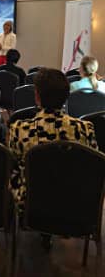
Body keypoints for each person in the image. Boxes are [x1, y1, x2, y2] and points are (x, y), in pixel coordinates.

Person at [9, 68, 97, 213]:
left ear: (37, 96)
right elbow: (92, 169)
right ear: (67, 96)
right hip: (76, 204)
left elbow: (13, 168)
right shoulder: (85, 129)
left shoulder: (19, 129)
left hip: (32, 204)